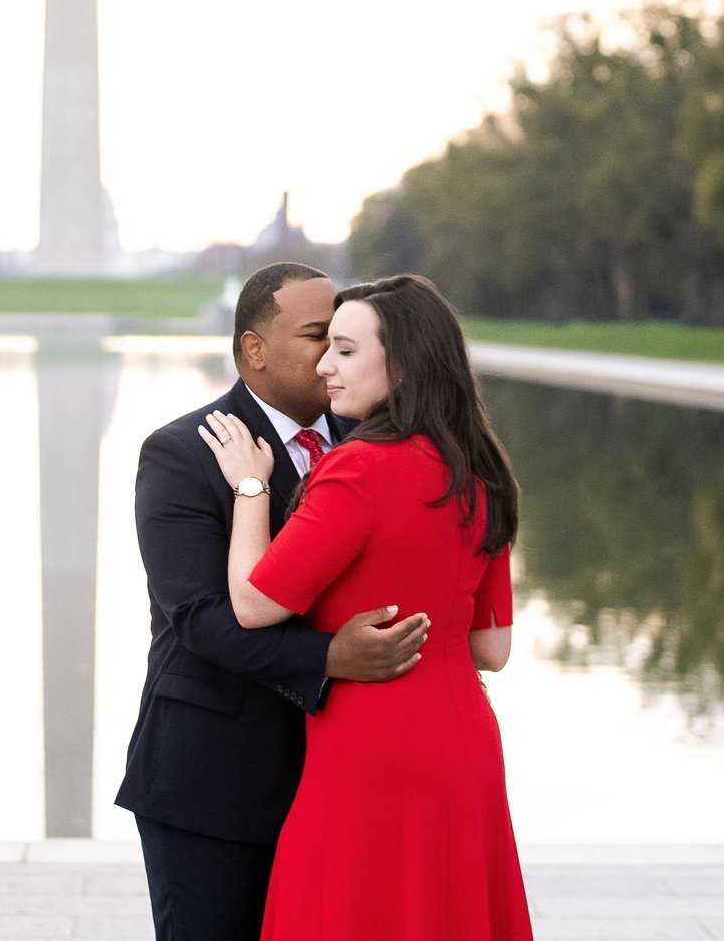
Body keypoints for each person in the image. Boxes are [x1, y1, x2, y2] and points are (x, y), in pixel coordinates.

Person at [199, 272, 533, 941]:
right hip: (464, 748)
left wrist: (250, 486)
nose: (325, 365)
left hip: (369, 754)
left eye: (346, 349)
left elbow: (253, 601)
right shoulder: (480, 465)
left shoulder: (358, 469)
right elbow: (492, 649)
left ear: (403, 362)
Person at [117, 261, 432, 941]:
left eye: (345, 338)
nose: (332, 356)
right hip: (212, 778)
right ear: (254, 349)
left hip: (335, 779)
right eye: (318, 335)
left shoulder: (367, 445)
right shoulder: (180, 453)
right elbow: (201, 620)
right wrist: (332, 656)